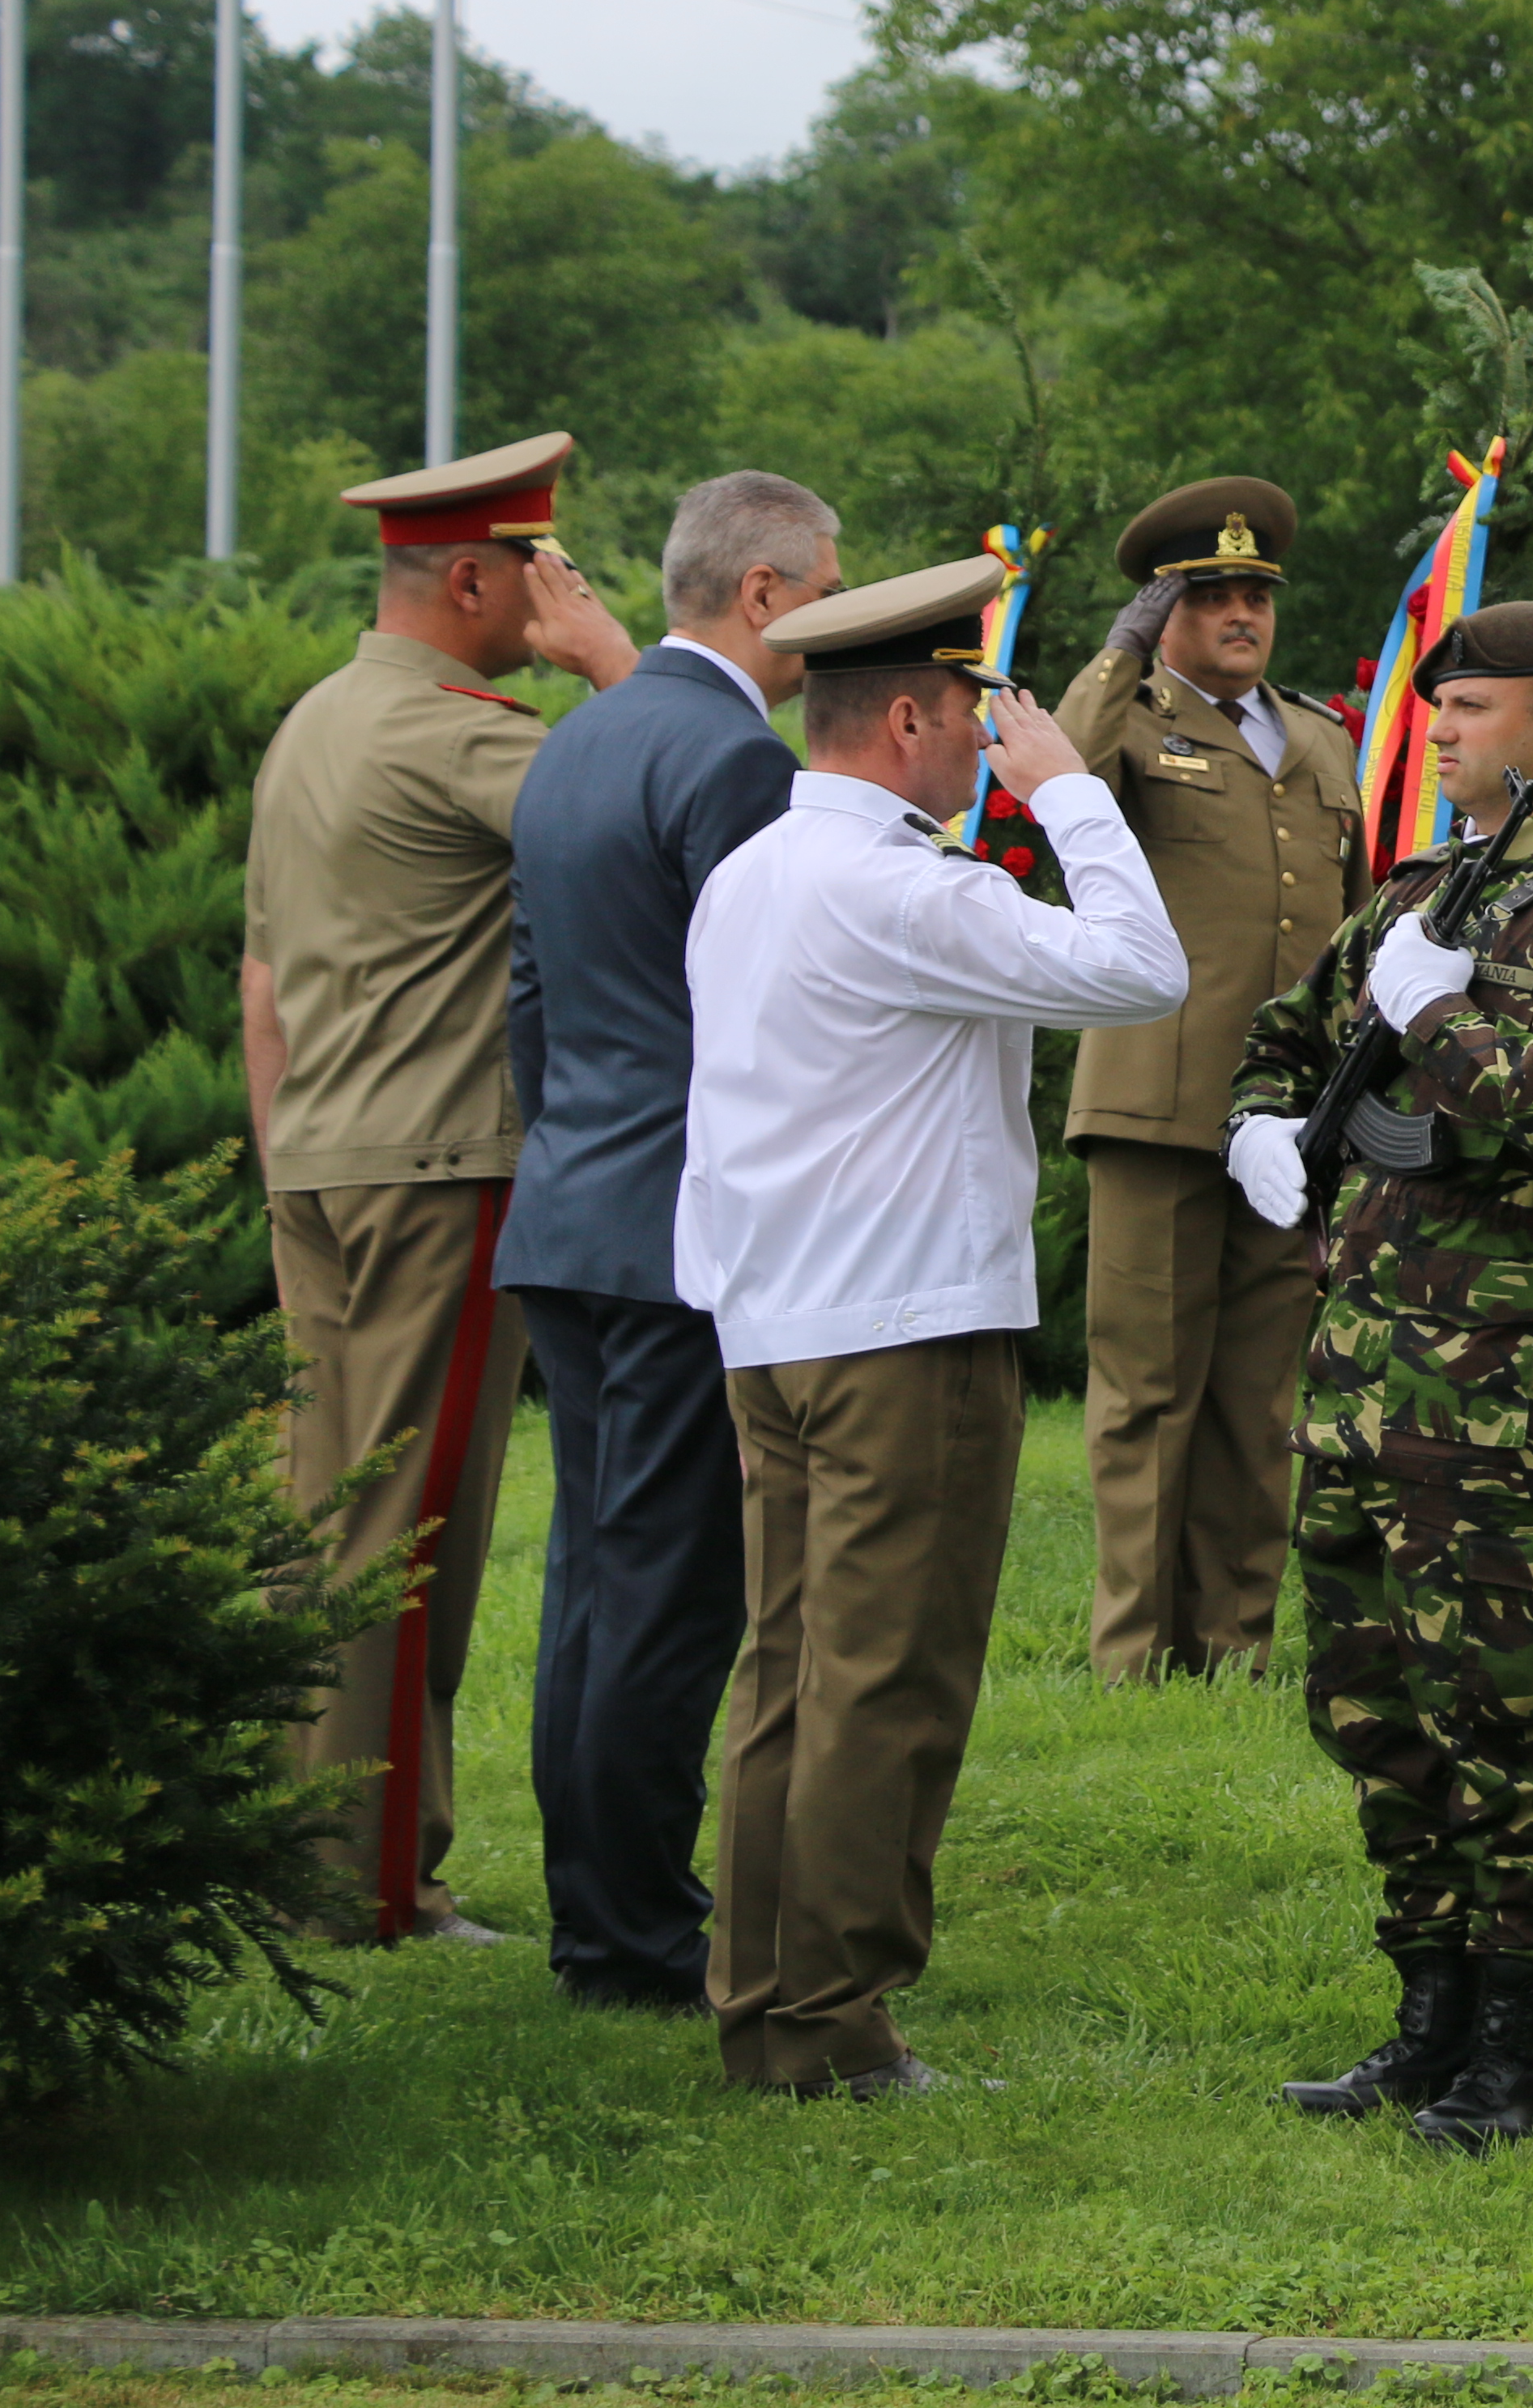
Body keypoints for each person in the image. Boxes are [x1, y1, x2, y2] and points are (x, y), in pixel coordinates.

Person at [675, 555, 1189, 2098]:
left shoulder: (754, 868)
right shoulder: (903, 883)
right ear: (904, 715)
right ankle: (832, 2024)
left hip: (774, 1319)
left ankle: (764, 1997)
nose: (989, 741)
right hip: (900, 1327)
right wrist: (1073, 799)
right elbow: (1141, 970)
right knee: (885, 1678)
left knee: (788, 1672)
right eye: (974, 716)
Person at [1221, 601, 1533, 2151]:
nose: (1439, 731)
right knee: (1372, 1706)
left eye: (1473, 707)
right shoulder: (1414, 896)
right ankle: (1422, 2016)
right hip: (1358, 1373)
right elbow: (1286, 1042)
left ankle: (1514, 2049)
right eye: (1439, 709)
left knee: (1502, 1718)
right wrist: (1261, 1127)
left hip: (1499, 1394)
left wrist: (1444, 1021)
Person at [240, 428, 639, 1944]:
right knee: (409, 1536)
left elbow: (264, 981)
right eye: (537, 570)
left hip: (323, 1160)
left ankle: (288, 1841)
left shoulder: (316, 723)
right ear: (471, 575)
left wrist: (286, 1164)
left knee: (321, 1521)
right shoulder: (461, 731)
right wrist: (615, 664)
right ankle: (374, 1880)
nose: (552, 592)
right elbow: (664, 796)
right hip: (440, 1167)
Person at [496, 471, 843, 2017]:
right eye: (825, 586)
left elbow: (531, 1002)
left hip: (570, 1201)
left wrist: (572, 1147)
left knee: (592, 1575)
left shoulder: (581, 736)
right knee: (664, 1592)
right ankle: (629, 1933)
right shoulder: (728, 756)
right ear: (762, 592)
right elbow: (762, 1012)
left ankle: (606, 1906)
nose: (833, 614)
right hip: (674, 1230)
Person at [1050, 479, 1371, 1684]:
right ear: (1165, 609)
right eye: (1211, 594)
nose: (1242, 613)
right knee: (1146, 1392)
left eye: (1254, 594)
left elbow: (1349, 926)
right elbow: (1052, 782)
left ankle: (1234, 1645)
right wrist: (1121, 651)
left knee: (1258, 1402)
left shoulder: (1321, 738)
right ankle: (1132, 1654)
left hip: (1287, 1122)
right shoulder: (1129, 720)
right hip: (1158, 1105)